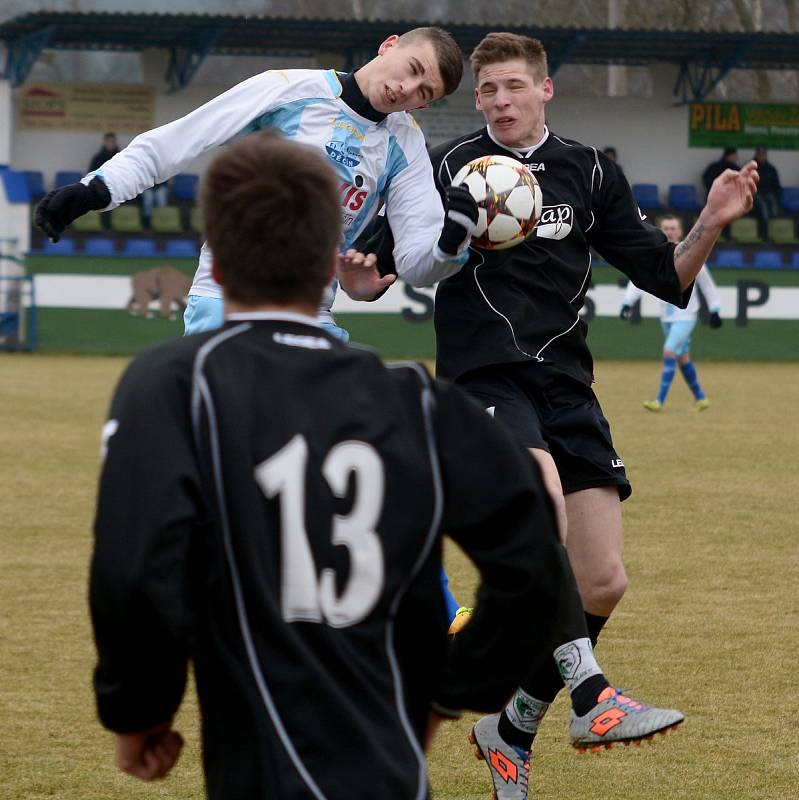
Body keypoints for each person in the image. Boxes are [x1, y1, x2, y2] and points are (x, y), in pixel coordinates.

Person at [89, 130, 578, 800]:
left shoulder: (173, 383)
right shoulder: (415, 400)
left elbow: (135, 568)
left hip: (261, 772)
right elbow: (536, 561)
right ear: (329, 265)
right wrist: (445, 695)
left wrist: (137, 711)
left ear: (217, 266)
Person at [423, 32, 757, 798]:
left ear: (544, 89)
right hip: (482, 375)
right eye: (486, 92)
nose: (500, 101)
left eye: (513, 87)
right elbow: (391, 262)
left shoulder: (592, 169)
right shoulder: (450, 168)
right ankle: (593, 696)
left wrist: (708, 220)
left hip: (566, 385)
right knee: (538, 503)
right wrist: (361, 274)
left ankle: (508, 729)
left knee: (601, 580)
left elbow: (664, 279)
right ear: (475, 101)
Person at [35, 26, 478, 344]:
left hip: (312, 314)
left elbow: (418, 262)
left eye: (425, 92)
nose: (408, 88)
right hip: (227, 299)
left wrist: (449, 245)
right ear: (389, 45)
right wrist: (96, 190)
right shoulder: (289, 89)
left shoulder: (406, 145)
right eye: (413, 69)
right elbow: (180, 140)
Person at [620, 214, 723, 412]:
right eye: (666, 228)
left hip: (686, 316)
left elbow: (708, 286)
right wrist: (627, 303)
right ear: (660, 230)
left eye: (673, 228)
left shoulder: (691, 254)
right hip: (666, 317)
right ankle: (701, 398)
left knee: (669, 351)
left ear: (680, 231)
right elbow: (640, 279)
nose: (669, 231)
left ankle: (659, 400)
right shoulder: (657, 254)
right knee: (682, 357)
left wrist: (715, 309)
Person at [88, 132, 119, 229]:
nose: (111, 144)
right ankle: (105, 228)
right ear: (104, 142)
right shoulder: (97, 158)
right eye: (109, 141)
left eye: (113, 142)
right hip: (102, 187)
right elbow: (92, 174)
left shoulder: (121, 157)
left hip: (119, 187)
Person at [752, 145, 782, 238]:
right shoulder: (752, 168)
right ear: (756, 155)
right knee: (763, 206)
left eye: (763, 154)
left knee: (773, 204)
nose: (761, 156)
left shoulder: (771, 169)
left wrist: (776, 195)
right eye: (759, 154)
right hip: (756, 194)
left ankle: (774, 233)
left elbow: (777, 186)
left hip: (769, 194)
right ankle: (764, 234)